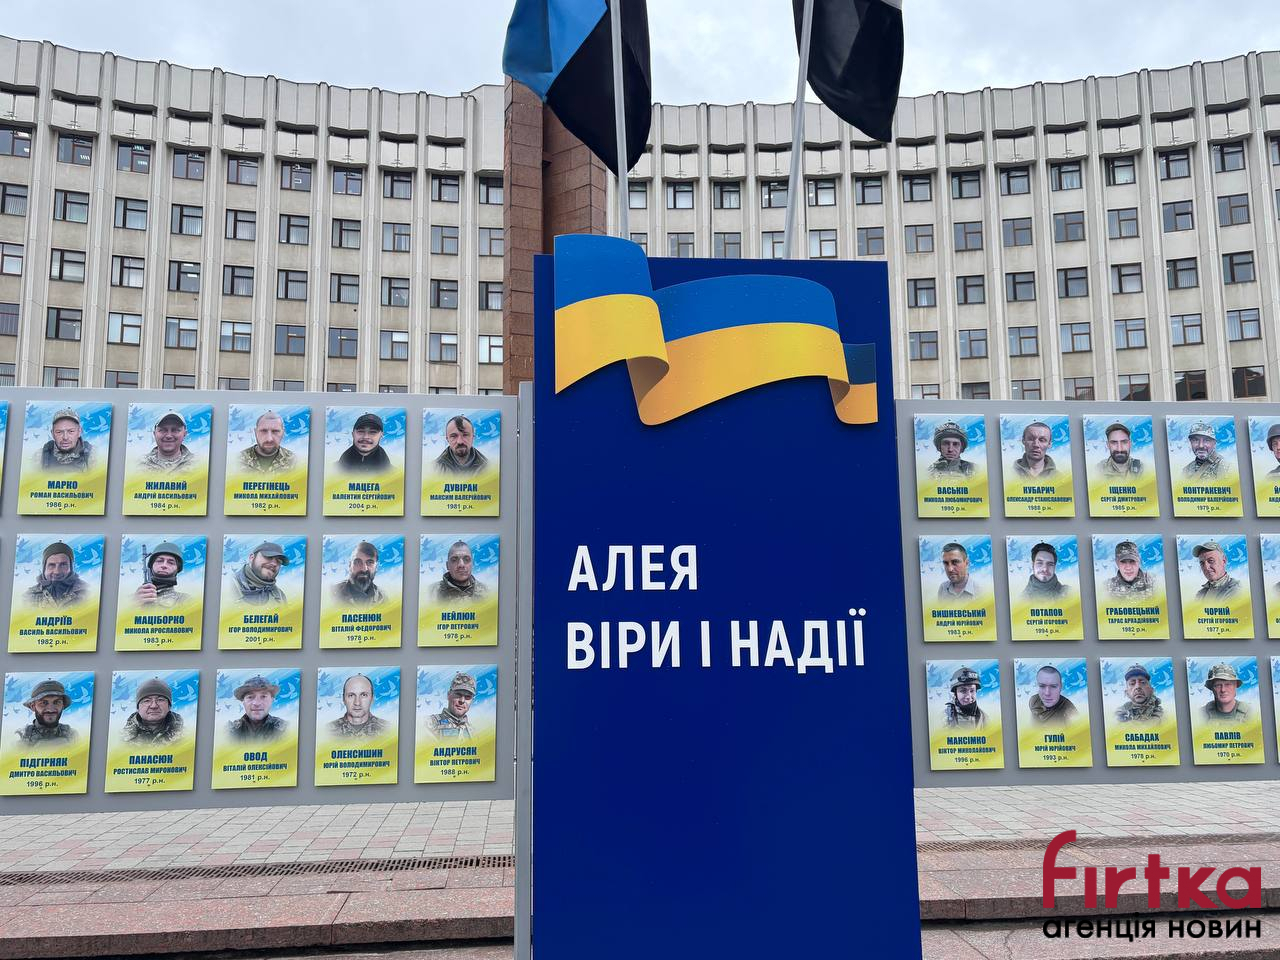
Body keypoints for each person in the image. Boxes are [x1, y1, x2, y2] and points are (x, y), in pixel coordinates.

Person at [24, 541, 90, 609]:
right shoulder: (28, 597)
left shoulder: (89, 593)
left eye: (63, 565)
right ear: (44, 568)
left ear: (71, 567)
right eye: (51, 565)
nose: (57, 572)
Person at [120, 677, 185, 744]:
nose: (154, 706)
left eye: (160, 700)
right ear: (138, 708)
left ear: (169, 706)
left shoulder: (187, 736)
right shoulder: (120, 740)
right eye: (147, 701)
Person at [225, 675, 286, 742]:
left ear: (272, 700)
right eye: (250, 697)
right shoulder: (228, 732)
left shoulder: (286, 730)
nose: (257, 703)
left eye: (263, 696)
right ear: (243, 701)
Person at [16, 679, 77, 745]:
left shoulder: (72, 735)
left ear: (63, 705)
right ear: (33, 706)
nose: (50, 710)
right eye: (43, 703)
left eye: (57, 702)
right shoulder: (21, 736)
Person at [133, 542, 191, 608]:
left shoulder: (187, 600)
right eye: (159, 561)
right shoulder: (130, 600)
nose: (164, 565)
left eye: (170, 563)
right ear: (151, 566)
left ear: (177, 569)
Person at [330, 541, 386, 606]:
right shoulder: (333, 594)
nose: (364, 569)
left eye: (370, 562)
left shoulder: (383, 598)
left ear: (376, 567)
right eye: (358, 562)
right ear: (350, 565)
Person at [232, 541, 289, 606]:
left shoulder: (280, 596)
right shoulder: (228, 585)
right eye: (268, 557)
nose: (274, 564)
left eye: (279, 561)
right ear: (251, 558)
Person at [40, 407, 92, 471]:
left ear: (79, 432)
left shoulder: (94, 454)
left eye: (71, 431)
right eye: (59, 432)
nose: (65, 437)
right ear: (52, 433)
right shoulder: (40, 456)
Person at [427, 673, 477, 740]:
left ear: (472, 701)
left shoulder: (473, 732)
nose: (462, 700)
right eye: (458, 694)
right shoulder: (429, 724)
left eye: (468, 697)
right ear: (448, 695)